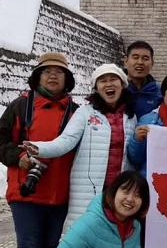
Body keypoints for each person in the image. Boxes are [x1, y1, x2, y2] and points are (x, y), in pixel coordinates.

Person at [0, 52, 78, 248]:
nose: (53, 76)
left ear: (67, 78)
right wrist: (19, 157)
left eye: (59, 72)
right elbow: (0, 141)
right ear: (37, 77)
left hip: (59, 193)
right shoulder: (21, 106)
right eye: (47, 71)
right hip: (25, 193)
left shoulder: (76, 112)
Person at [22, 64, 137, 227]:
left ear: (122, 84)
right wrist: (39, 149)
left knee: (116, 234)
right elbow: (66, 141)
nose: (108, 84)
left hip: (120, 189)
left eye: (113, 79)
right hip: (89, 189)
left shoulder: (131, 117)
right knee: (84, 232)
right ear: (96, 88)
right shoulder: (85, 112)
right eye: (103, 81)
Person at [124, 40, 162, 119]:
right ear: (125, 61)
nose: (140, 62)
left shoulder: (160, 92)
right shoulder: (117, 89)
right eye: (135, 57)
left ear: (152, 63)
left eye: (145, 58)